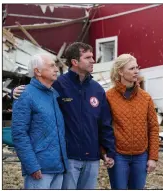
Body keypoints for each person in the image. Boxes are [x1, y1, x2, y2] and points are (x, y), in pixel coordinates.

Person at [12, 42, 116, 189]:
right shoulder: (58, 86)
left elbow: (104, 123)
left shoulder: (95, 90)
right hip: (63, 160)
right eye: (88, 57)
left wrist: (107, 151)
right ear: (75, 62)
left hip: (79, 161)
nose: (93, 60)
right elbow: (20, 131)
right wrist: (14, 92)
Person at [11, 54, 68, 189]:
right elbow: (19, 134)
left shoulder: (53, 93)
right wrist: (32, 166)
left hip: (58, 167)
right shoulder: (25, 94)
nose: (56, 69)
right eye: (51, 66)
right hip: (39, 169)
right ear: (37, 71)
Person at [105, 54, 160, 189]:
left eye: (137, 67)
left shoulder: (146, 98)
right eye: (131, 68)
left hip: (141, 156)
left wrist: (153, 157)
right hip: (118, 156)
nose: (136, 71)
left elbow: (153, 127)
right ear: (120, 72)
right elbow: (103, 128)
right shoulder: (108, 97)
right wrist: (105, 153)